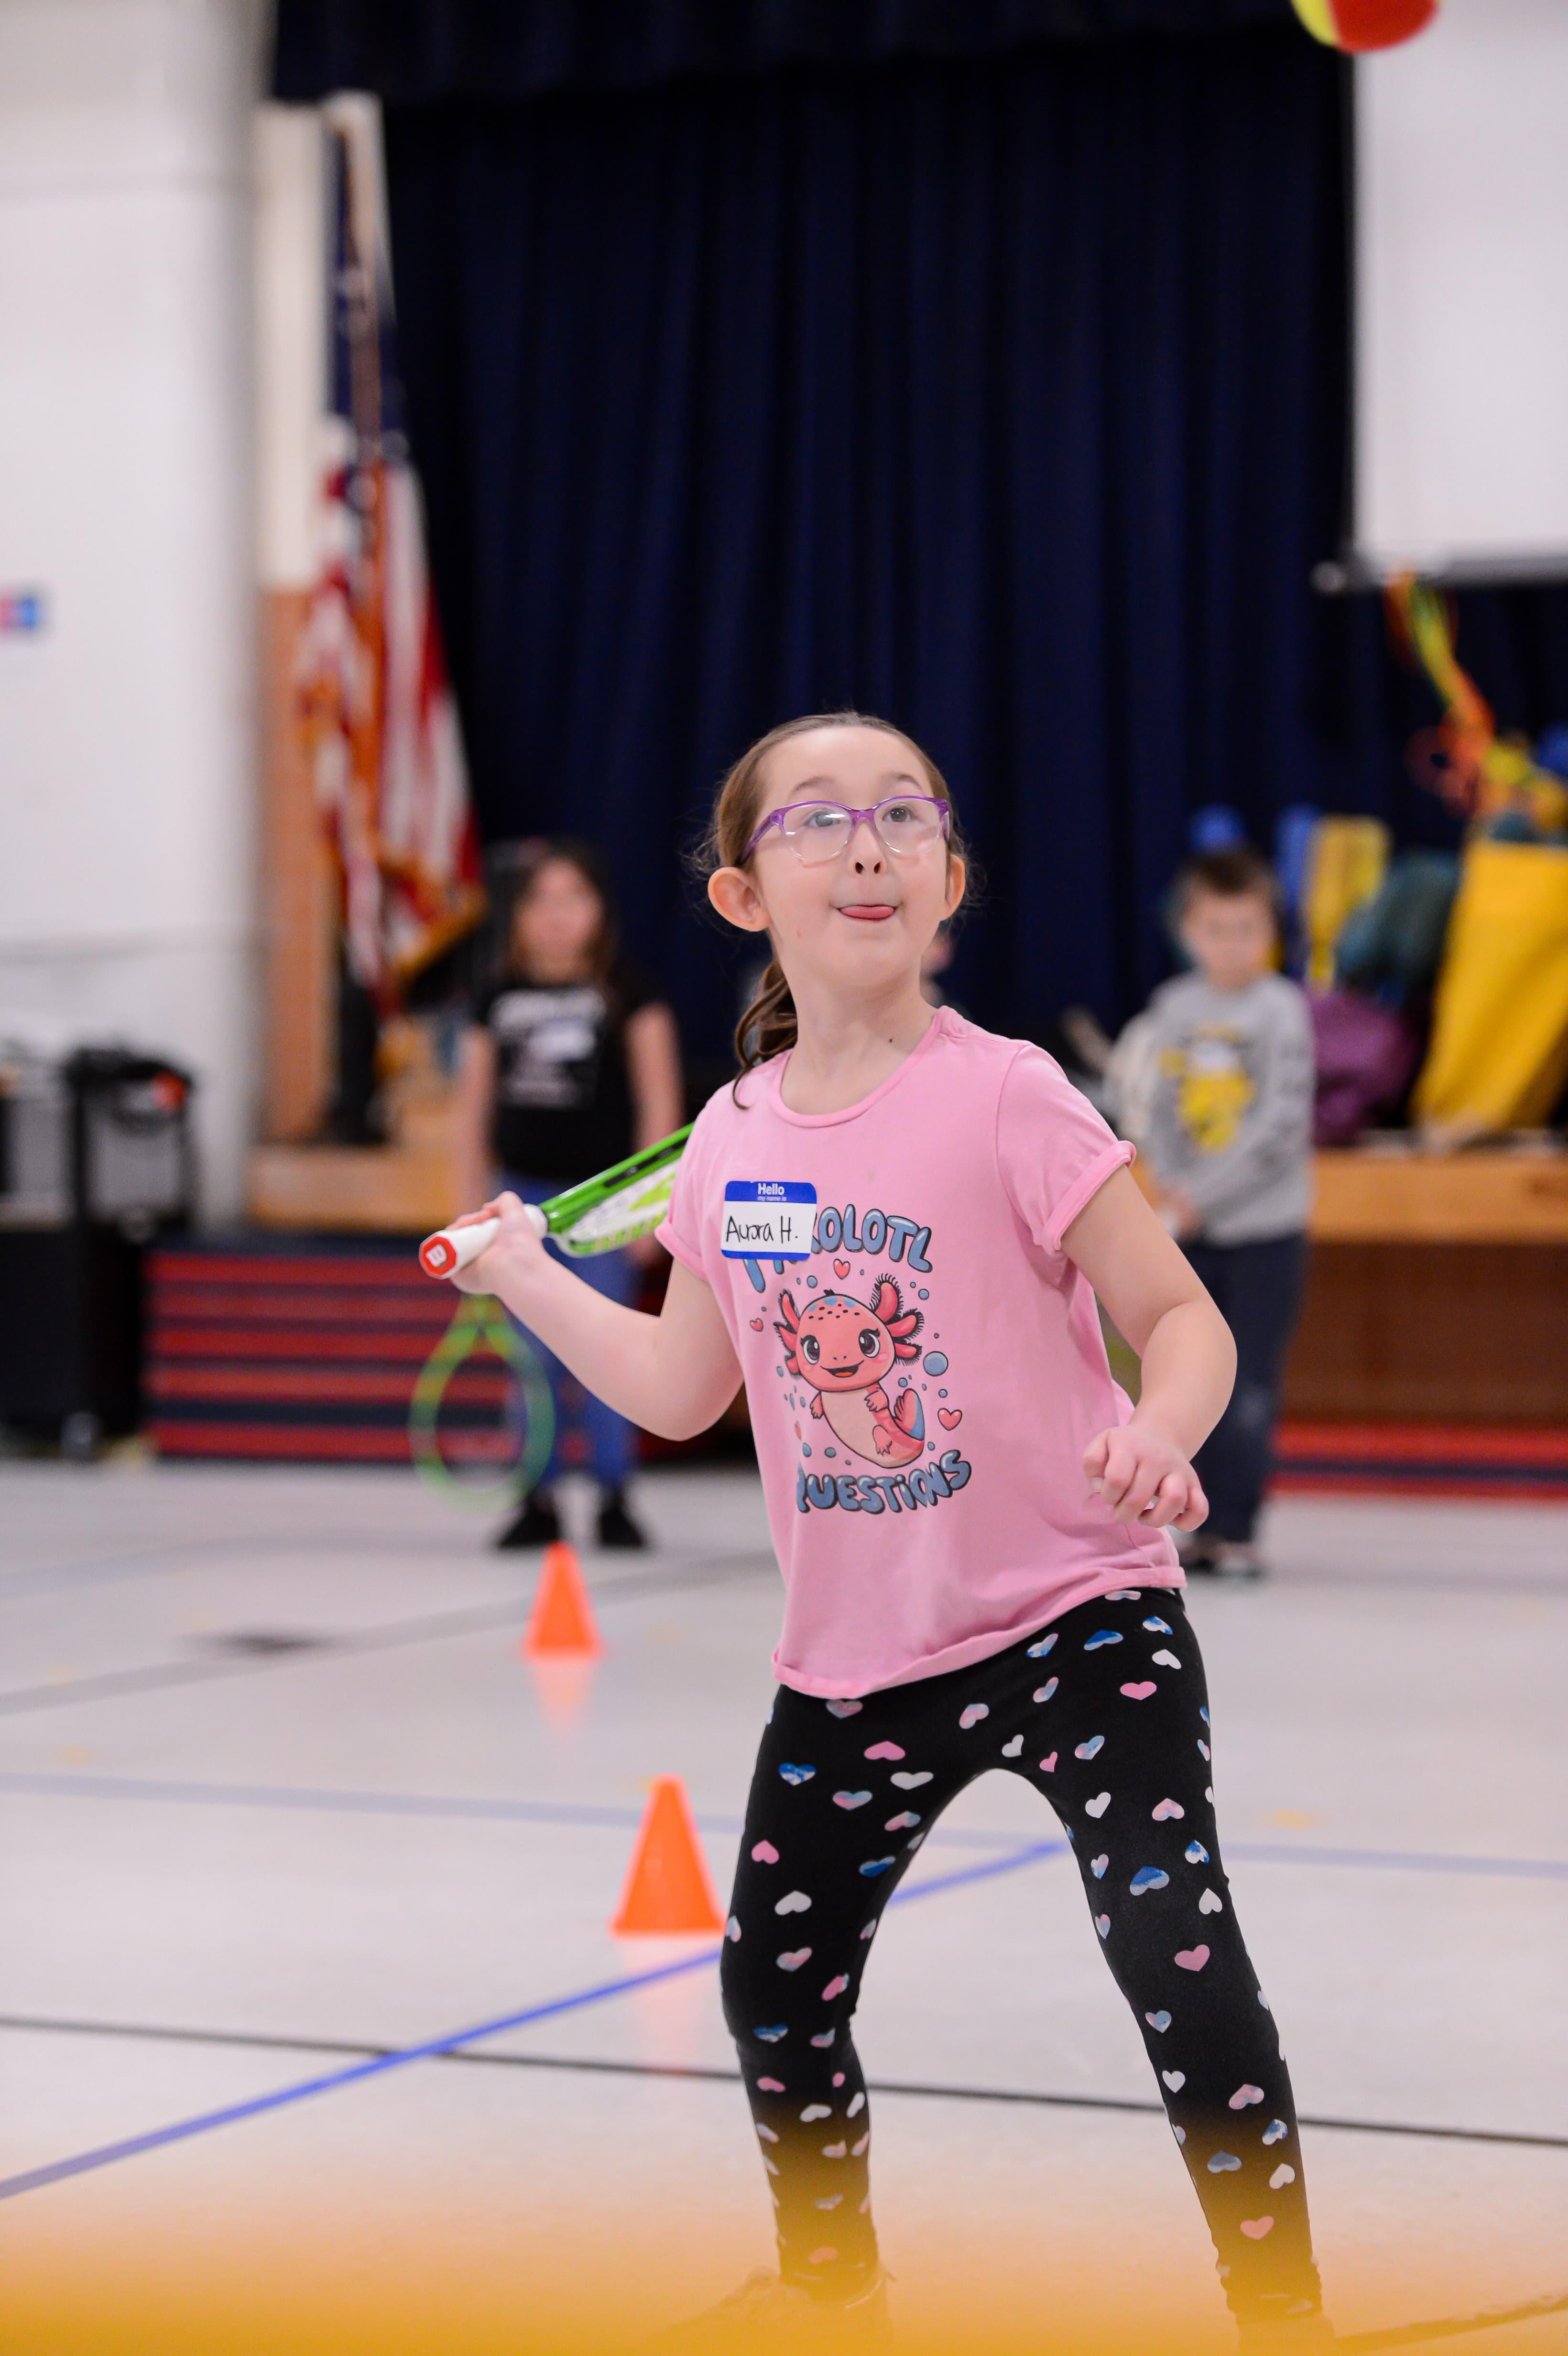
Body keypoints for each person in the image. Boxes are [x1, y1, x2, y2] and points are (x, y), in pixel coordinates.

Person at [447, 718, 1331, 2352]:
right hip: (857, 1663)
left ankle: (1280, 2307)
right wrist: (522, 1274)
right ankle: (829, 2284)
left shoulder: (1013, 1094)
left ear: (948, 879)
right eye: (819, 819)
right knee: (773, 1990)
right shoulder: (729, 1141)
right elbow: (672, 1383)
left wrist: (1158, 1423)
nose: (867, 841)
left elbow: (1183, 1316)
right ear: (740, 891)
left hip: (1080, 1614)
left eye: (904, 815)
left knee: (1174, 1946)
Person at [456, 839, 683, 1550]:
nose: (557, 916)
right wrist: (470, 1207)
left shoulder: (630, 994)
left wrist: (655, 1210)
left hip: (603, 1208)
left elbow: (659, 1103)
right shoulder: (494, 996)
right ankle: (539, 1495)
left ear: (599, 910)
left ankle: (615, 1494)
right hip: (520, 1200)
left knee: (612, 1348)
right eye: (540, 900)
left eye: (573, 898)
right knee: (532, 1354)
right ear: (518, 914)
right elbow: (472, 1109)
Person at [1132, 849, 1315, 1580]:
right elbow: (1158, 1105)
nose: (1231, 943)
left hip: (1265, 1233)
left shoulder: (1282, 1011)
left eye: (1246, 928)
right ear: (1189, 930)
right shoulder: (1175, 1009)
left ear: (1270, 930)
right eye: (1216, 928)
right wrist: (1169, 1185)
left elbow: (1277, 1129)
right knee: (1184, 1375)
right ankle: (1192, 1526)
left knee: (1248, 1386)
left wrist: (1200, 1199)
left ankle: (1238, 1528)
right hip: (1188, 1226)